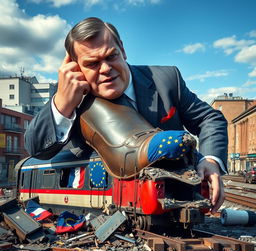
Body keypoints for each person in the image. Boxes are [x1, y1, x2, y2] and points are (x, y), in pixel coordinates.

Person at [24, 17, 228, 214]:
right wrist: (62, 103)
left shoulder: (166, 79)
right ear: (75, 67)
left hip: (175, 198)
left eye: (111, 56)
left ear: (122, 49)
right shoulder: (70, 96)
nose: (105, 69)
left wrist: (211, 161)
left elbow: (210, 118)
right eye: (92, 64)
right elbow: (36, 149)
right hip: (102, 207)